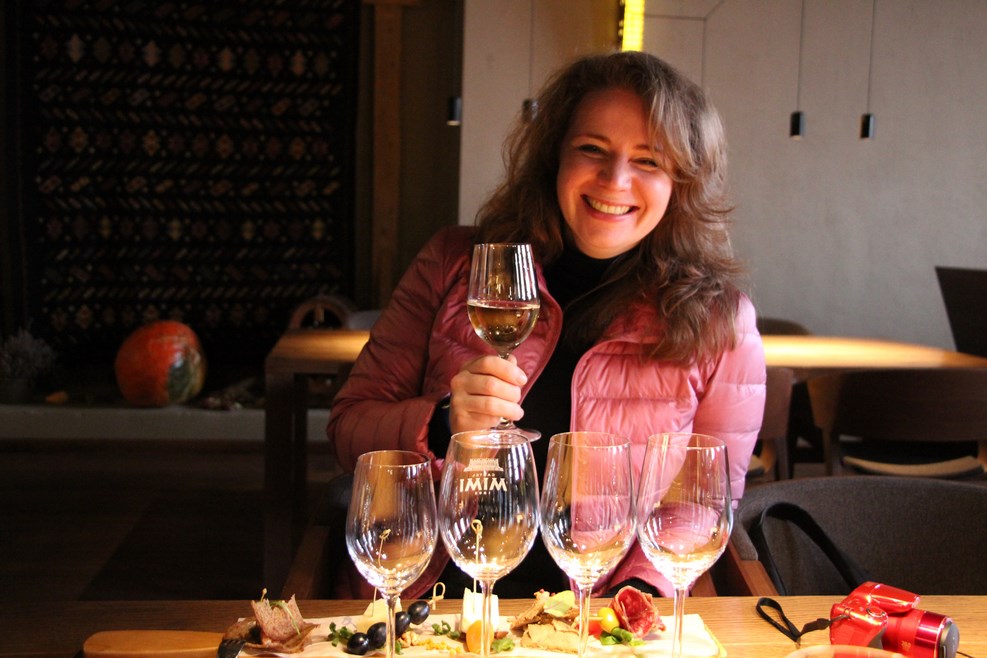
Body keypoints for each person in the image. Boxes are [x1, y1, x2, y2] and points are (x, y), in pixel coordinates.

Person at [327, 50, 766, 599]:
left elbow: (700, 503)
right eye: (592, 149)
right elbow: (347, 430)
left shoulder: (721, 321)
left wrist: (637, 599)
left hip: (590, 617)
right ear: (554, 155)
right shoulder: (454, 263)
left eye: (649, 161)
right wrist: (440, 425)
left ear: (683, 181)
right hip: (428, 606)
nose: (615, 180)